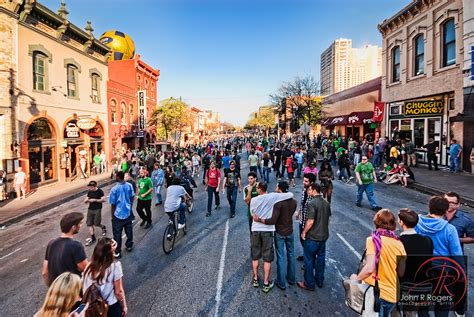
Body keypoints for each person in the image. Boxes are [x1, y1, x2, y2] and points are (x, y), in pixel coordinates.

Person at [350, 209, 406, 316]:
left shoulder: (373, 240)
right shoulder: (399, 244)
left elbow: (370, 268)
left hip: (376, 294)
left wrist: (355, 279)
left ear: (376, 222)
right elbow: (401, 272)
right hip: (392, 296)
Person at [249, 182, 293, 293]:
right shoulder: (273, 196)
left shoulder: (254, 200)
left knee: (255, 256)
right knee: (267, 258)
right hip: (268, 231)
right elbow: (290, 194)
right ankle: (266, 282)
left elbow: (252, 215)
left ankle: (255, 279)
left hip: (255, 230)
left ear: (259, 189)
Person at [397, 208, 433, 317]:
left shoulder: (398, 242)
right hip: (424, 285)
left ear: (401, 222)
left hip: (405, 285)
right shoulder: (427, 240)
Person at [297, 183, 331, 291]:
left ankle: (309, 284)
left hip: (313, 237)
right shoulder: (326, 202)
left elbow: (310, 221)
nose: (308, 191)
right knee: (320, 259)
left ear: (314, 190)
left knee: (309, 260)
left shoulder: (312, 203)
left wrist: (304, 232)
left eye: (309, 190)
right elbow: (328, 219)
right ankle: (319, 280)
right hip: (323, 236)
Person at [82, 238, 127, 317]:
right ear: (111, 252)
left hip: (94, 306)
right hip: (111, 305)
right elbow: (118, 292)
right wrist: (124, 305)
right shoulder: (115, 266)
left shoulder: (88, 267)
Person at [42, 212, 88, 286]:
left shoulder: (51, 243)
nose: (81, 226)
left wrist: (52, 288)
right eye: (80, 223)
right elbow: (86, 269)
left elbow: (45, 272)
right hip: (72, 290)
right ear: (73, 227)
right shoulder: (76, 246)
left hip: (57, 289)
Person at [108, 171, 135, 258]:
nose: (115, 177)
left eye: (116, 176)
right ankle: (129, 245)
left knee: (117, 234)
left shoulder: (114, 189)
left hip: (118, 214)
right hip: (127, 212)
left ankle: (118, 251)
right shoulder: (129, 185)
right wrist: (130, 206)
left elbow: (113, 204)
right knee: (129, 230)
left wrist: (112, 216)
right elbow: (132, 197)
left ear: (118, 177)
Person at [296, 173, 317, 261]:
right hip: (302, 220)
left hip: (309, 222)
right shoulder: (304, 189)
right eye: (304, 180)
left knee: (309, 242)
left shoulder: (314, 193)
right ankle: (306, 256)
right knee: (302, 240)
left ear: (311, 182)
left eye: (306, 181)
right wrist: (299, 211)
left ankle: (309, 261)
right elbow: (302, 203)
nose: (304, 182)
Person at [84, 181, 107, 246]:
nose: (90, 188)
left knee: (96, 224)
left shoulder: (100, 191)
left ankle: (103, 227)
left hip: (97, 209)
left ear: (95, 186)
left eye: (91, 187)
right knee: (89, 224)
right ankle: (93, 238)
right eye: (89, 187)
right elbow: (86, 199)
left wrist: (95, 200)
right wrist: (86, 201)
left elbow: (103, 200)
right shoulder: (89, 191)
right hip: (90, 209)